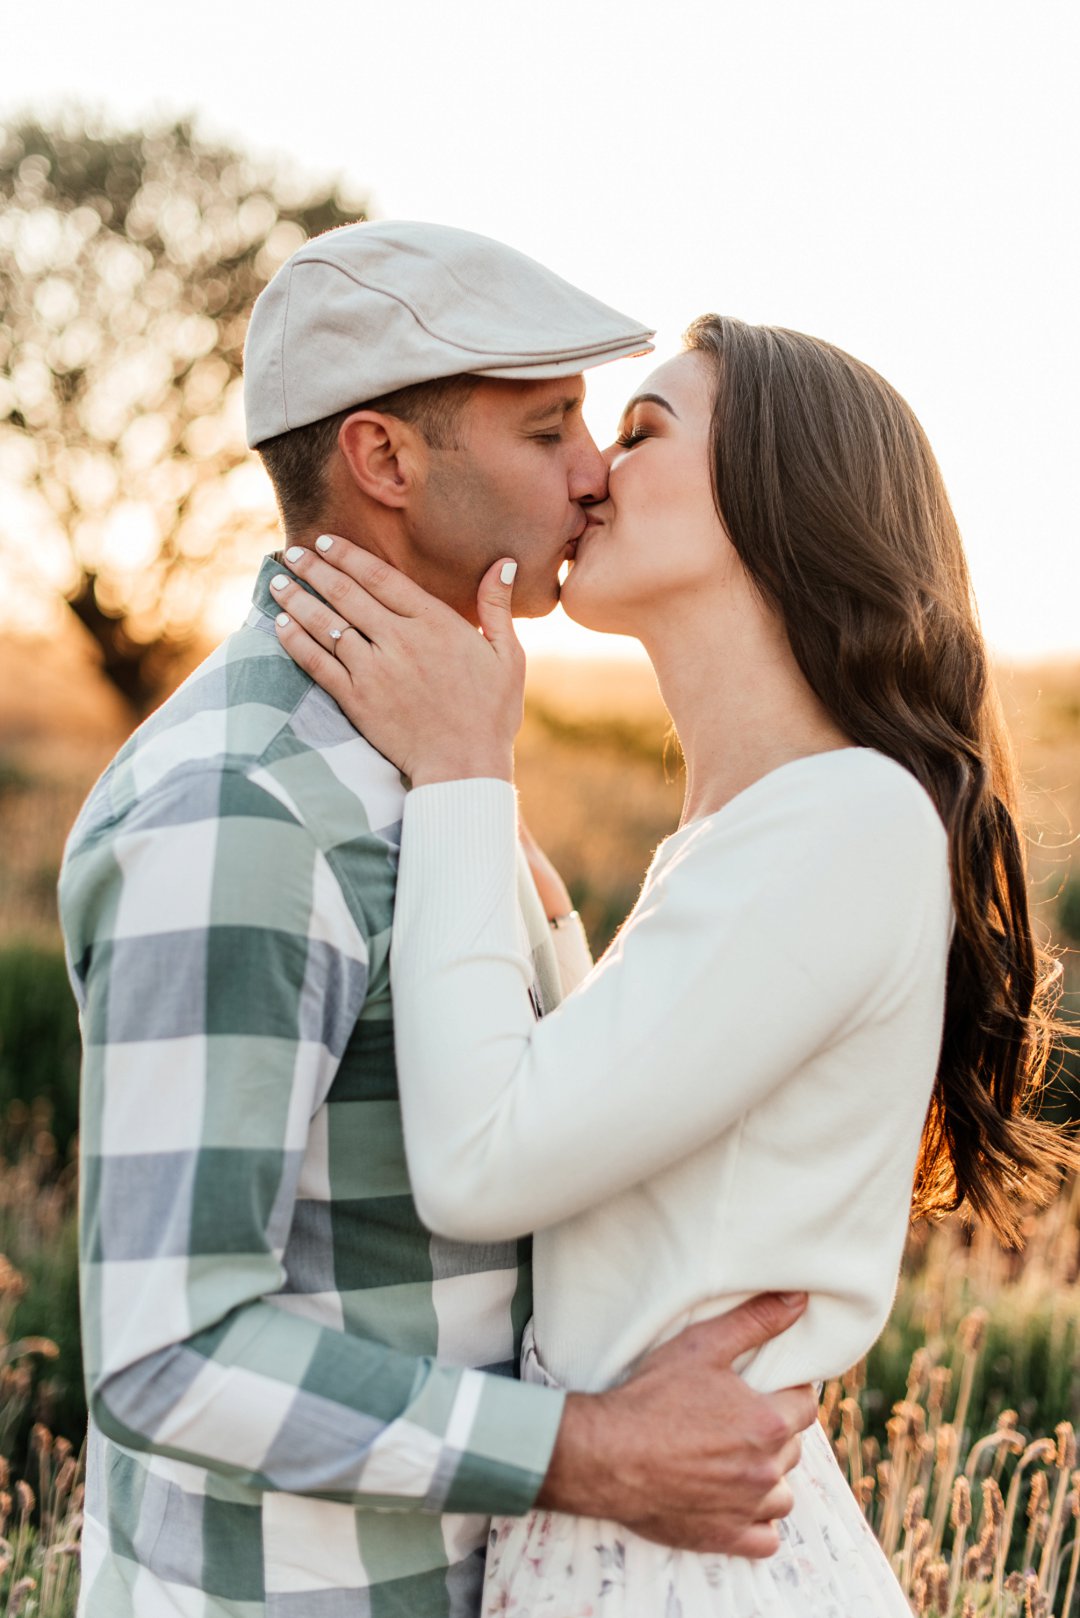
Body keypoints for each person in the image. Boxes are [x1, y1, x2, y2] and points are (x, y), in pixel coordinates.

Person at [58, 226, 818, 1618]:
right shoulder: (240, 812)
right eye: (549, 427)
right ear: (387, 462)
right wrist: (596, 1453)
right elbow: (166, 1351)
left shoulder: (434, 748)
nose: (596, 468)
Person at [270, 312, 1071, 1615]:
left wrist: (465, 771)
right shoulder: (757, 824)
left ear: (782, 497)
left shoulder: (846, 820)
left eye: (641, 431)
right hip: (647, 1532)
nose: (590, 471)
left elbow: (481, 1163)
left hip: (695, 1566)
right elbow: (631, 1181)